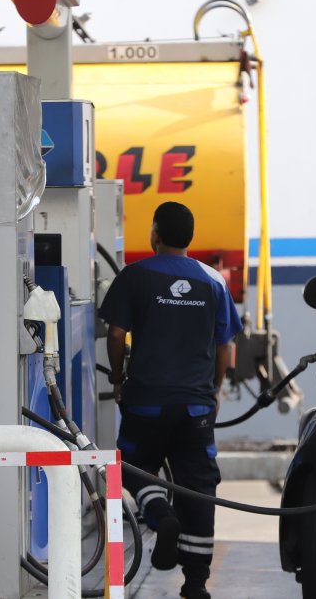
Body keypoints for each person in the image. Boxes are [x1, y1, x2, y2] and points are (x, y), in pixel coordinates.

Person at [100, 201, 241, 599]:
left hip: (146, 400)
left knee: (134, 466)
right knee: (198, 487)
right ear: (190, 237)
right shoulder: (213, 281)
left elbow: (116, 334)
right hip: (196, 407)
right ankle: (195, 584)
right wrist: (214, 391)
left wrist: (118, 377)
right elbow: (225, 345)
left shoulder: (135, 275)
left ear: (155, 234)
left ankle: (160, 515)